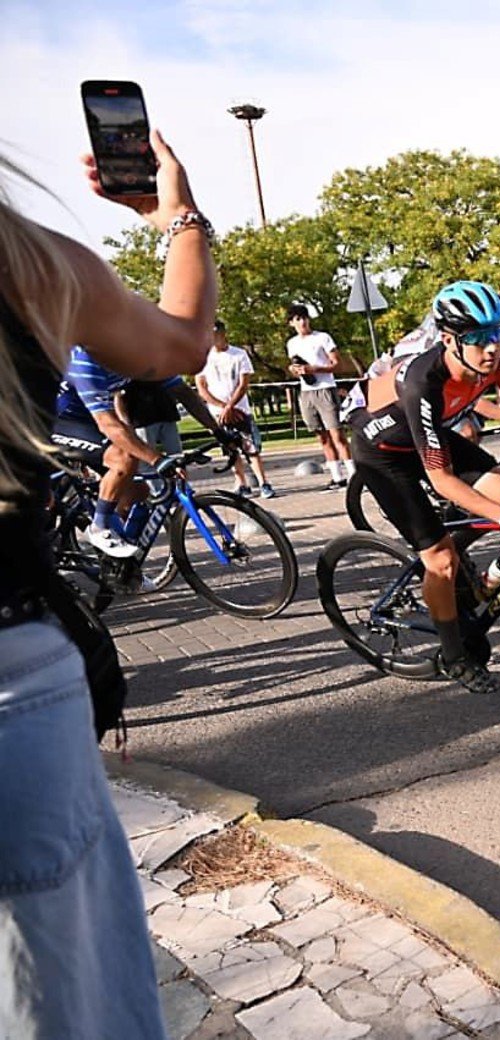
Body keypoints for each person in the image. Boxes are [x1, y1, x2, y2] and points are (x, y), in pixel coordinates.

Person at [1, 131, 215, 1039]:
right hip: (15, 661)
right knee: (64, 1004)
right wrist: (176, 216)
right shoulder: (31, 261)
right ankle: (98, 530)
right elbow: (178, 342)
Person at [350, 280, 500, 695]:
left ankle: (459, 565)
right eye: (478, 338)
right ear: (449, 340)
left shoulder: (495, 361)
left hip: (427, 437)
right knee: (441, 560)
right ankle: (453, 654)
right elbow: (441, 479)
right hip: (384, 452)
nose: (492, 346)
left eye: (497, 333)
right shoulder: (422, 381)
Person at [52, 344, 233, 556]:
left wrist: (217, 430)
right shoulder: (86, 359)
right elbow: (108, 424)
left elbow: (182, 391)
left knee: (138, 492)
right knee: (124, 458)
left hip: (90, 420)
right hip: (57, 421)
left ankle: (117, 568)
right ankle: (99, 527)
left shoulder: (140, 351)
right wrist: (157, 460)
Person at [196, 319, 274, 497]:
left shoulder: (239, 354)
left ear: (223, 334)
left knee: (250, 448)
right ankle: (241, 483)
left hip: (240, 410)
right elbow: (201, 387)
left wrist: (231, 406)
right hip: (218, 413)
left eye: (216, 334)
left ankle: (264, 483)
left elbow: (243, 383)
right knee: (230, 450)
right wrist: (222, 407)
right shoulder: (204, 357)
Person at [285, 304, 352, 489]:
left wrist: (316, 369)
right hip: (307, 391)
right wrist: (295, 370)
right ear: (292, 323)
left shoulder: (322, 338)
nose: (303, 322)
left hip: (325, 388)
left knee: (337, 434)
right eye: (298, 319)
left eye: (305, 317)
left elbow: (336, 364)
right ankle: (337, 476)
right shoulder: (292, 344)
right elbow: (295, 367)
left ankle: (354, 474)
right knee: (322, 436)